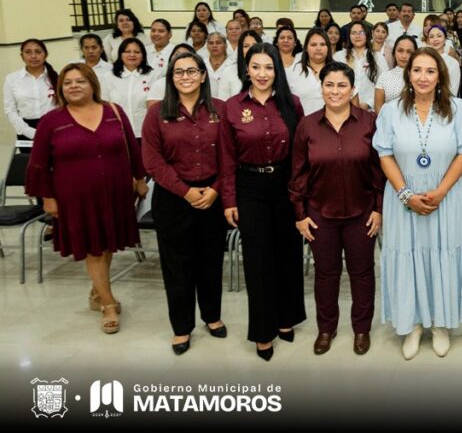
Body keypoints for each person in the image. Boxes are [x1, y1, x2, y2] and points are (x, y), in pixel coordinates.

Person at [26, 63, 147, 334]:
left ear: (92, 83)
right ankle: (108, 304)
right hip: (75, 198)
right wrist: (47, 197)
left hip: (116, 192)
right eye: (67, 83)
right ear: (60, 89)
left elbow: (132, 146)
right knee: (93, 247)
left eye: (80, 81)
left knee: (107, 245)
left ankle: (96, 292)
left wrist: (139, 180)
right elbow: (38, 164)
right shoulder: (51, 121)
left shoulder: (114, 112)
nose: (74, 86)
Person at [372, 47, 462, 360]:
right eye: (417, 70)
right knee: (410, 255)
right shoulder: (391, 111)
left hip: (445, 197)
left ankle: (442, 323)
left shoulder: (457, 108)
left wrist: (442, 191)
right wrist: (406, 195)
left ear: (440, 75)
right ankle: (414, 323)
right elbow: (384, 154)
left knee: (441, 254)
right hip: (403, 198)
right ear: (408, 73)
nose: (423, 77)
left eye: (430, 71)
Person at [290, 61, 384, 356]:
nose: (335, 91)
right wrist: (300, 214)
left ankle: (361, 329)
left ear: (353, 89)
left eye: (342, 85)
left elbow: (379, 170)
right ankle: (326, 329)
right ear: (321, 88)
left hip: (362, 213)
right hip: (320, 214)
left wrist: (378, 209)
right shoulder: (307, 125)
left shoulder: (369, 122)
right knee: (326, 274)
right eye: (329, 85)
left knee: (363, 273)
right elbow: (297, 174)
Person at [220, 43, 306, 361]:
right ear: (247, 69)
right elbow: (226, 157)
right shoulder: (232, 106)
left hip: (285, 184)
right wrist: (229, 199)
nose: (262, 74)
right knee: (258, 261)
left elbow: (299, 154)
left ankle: (286, 318)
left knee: (288, 255)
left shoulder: (291, 104)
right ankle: (263, 331)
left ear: (277, 71)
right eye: (256, 67)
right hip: (250, 186)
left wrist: (300, 194)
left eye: (268, 68)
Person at [142, 52, 229, 355]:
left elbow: (229, 158)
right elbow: (152, 161)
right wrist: (185, 192)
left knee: (210, 261)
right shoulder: (156, 114)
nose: (186, 76)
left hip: (212, 197)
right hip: (173, 199)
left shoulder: (221, 110)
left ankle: (212, 316)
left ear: (203, 76)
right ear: (171, 78)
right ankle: (182, 327)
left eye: (192, 71)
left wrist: (216, 189)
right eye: (179, 72)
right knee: (177, 266)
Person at [4, 39, 58, 145]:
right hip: (25, 130)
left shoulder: (57, 78)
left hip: (54, 129)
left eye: (38, 52)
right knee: (30, 161)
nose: (33, 56)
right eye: (28, 52)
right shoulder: (12, 79)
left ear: (45, 55)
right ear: (22, 56)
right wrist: (29, 132)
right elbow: (10, 110)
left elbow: (63, 106)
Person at [103, 38, 156, 138]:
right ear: (121, 55)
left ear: (143, 56)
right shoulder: (109, 77)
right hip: (119, 132)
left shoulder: (152, 75)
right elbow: (104, 106)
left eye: (137, 52)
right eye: (127, 51)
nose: (132, 55)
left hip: (146, 132)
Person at [289, 27, 333, 113]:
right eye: (313, 45)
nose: (318, 48)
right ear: (306, 48)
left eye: (323, 44)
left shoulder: (339, 70)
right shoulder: (293, 72)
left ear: (328, 47)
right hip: (302, 124)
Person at [375, 35, 417, 112]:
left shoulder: (421, 77)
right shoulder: (384, 77)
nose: (404, 56)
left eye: (409, 52)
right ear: (394, 52)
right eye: (400, 51)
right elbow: (379, 110)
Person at [203, 32, 242, 101]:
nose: (214, 46)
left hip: (227, 105)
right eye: (211, 43)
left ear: (226, 45)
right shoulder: (201, 64)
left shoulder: (233, 64)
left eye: (218, 43)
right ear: (207, 46)